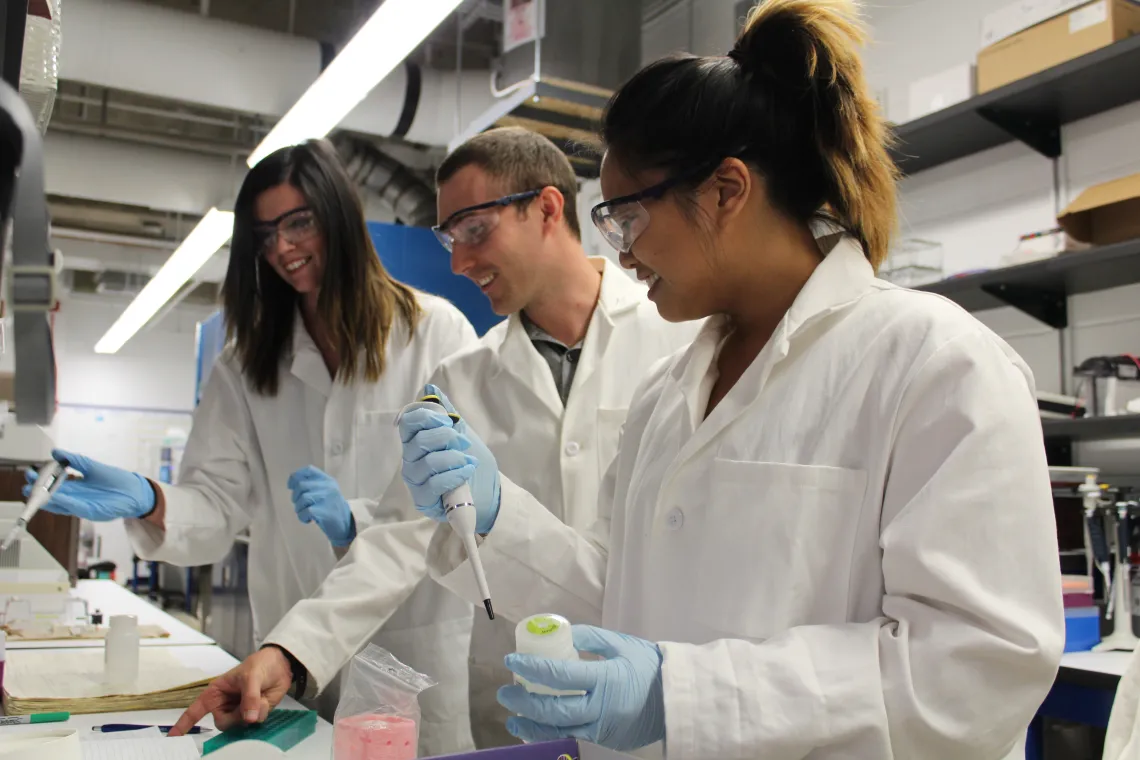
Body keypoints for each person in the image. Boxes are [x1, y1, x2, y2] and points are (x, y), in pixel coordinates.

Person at [398, 2, 1066, 758]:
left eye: (625, 218)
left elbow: (979, 664)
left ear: (725, 190)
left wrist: (681, 694)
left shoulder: (935, 364)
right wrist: (494, 517)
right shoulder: (666, 393)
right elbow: (622, 592)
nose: (619, 254)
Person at [171, 127, 700, 748]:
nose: (459, 262)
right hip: (515, 697)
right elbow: (400, 536)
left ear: (549, 209)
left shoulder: (681, 342)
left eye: (474, 230)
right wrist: (289, 652)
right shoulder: (462, 378)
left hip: (657, 692)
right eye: (449, 240)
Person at [30, 139, 478, 755]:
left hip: (409, 651)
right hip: (287, 653)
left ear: (339, 217)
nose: (283, 248)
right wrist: (149, 499)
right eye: (265, 235)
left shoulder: (435, 333)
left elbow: (449, 509)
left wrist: (360, 521)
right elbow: (216, 509)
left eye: (300, 223)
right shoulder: (245, 365)